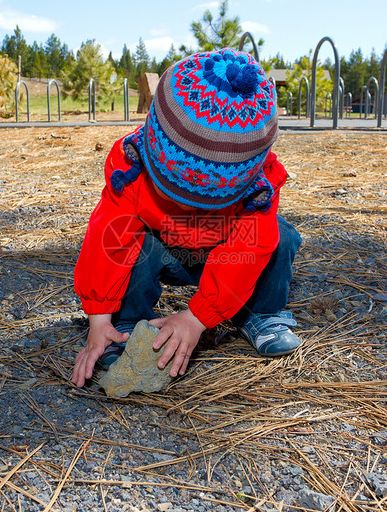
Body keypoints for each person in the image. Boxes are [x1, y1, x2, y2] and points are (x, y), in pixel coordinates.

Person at [70, 48, 302, 387]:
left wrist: (196, 319)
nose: (193, 208)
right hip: (169, 252)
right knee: (134, 242)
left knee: (279, 237)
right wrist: (97, 317)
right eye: (174, 192)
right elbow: (106, 240)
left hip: (226, 255)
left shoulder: (258, 185)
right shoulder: (133, 166)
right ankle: (124, 324)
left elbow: (251, 251)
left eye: (209, 202)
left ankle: (262, 313)